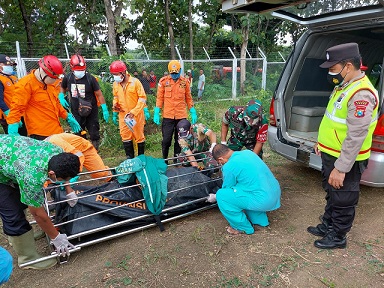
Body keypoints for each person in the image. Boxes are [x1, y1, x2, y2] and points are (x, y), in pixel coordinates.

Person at [308, 43, 379, 249]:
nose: (330, 72)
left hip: (346, 159)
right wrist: (321, 143)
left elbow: (356, 135)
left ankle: (338, 236)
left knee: (343, 197)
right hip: (331, 153)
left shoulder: (361, 95)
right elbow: (333, 120)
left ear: (348, 66)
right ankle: (328, 224)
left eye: (333, 68)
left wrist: (341, 168)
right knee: (332, 192)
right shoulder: (344, 85)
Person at [0, 135, 80, 269]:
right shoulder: (32, 176)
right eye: (60, 179)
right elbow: (37, 213)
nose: (62, 180)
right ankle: (27, 258)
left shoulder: (57, 152)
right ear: (52, 173)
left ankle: (27, 238)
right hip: (10, 164)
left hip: (9, 155)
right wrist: (56, 237)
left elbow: (65, 173)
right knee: (12, 210)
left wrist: (69, 189)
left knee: (21, 201)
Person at [210, 144, 281, 235]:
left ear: (220, 159)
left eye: (220, 162)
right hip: (273, 193)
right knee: (245, 188)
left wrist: (215, 196)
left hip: (263, 200)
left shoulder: (229, 166)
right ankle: (260, 221)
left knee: (222, 195)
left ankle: (242, 228)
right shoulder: (248, 153)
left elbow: (227, 188)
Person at [6, 55, 81, 139]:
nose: (55, 81)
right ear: (44, 73)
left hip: (56, 130)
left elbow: (56, 104)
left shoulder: (49, 84)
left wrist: (67, 116)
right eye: (53, 78)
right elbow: (17, 107)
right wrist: (13, 127)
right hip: (40, 134)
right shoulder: (26, 84)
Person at [60, 54, 110, 151]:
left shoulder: (90, 79)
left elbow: (99, 94)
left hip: (91, 110)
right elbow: (62, 87)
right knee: (78, 131)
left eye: (82, 70)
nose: (80, 72)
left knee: (94, 130)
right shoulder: (68, 78)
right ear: (72, 68)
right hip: (76, 110)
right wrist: (61, 96)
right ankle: (84, 149)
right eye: (78, 70)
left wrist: (104, 108)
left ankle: (95, 149)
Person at [154, 60, 198, 161]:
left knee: (180, 140)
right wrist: (157, 111)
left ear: (180, 70)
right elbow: (160, 98)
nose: (174, 75)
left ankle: (177, 159)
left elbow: (188, 98)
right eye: (172, 73)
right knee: (166, 140)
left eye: (176, 73)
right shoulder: (163, 82)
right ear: (169, 71)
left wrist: (192, 110)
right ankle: (164, 159)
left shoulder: (185, 82)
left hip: (181, 116)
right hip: (168, 116)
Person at [109, 60, 148, 158]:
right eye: (113, 74)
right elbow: (115, 96)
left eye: (116, 74)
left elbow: (142, 98)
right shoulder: (115, 84)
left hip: (136, 116)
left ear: (123, 72)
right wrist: (115, 105)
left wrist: (134, 112)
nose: (115, 76)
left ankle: (141, 159)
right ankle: (130, 160)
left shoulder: (135, 82)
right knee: (125, 137)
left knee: (139, 137)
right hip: (123, 116)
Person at [45, 133, 113, 181]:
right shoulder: (42, 156)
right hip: (70, 154)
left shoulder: (56, 143)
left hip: (84, 149)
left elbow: (78, 155)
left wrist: (75, 173)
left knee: (100, 174)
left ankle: (113, 179)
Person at [0, 54, 27, 136]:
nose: (10, 66)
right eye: (7, 65)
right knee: (14, 141)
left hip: (20, 113)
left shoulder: (14, 78)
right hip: (8, 116)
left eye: (11, 65)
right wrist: (10, 114)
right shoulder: (1, 79)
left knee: (24, 137)